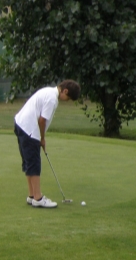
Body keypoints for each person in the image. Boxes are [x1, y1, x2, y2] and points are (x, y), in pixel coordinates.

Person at [14, 80, 80, 208]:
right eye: (68, 98)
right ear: (65, 91)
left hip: (21, 124)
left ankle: (32, 195)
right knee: (34, 163)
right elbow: (42, 120)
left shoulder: (48, 91)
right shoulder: (52, 99)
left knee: (29, 162)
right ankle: (38, 198)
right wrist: (42, 138)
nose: (67, 101)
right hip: (29, 128)